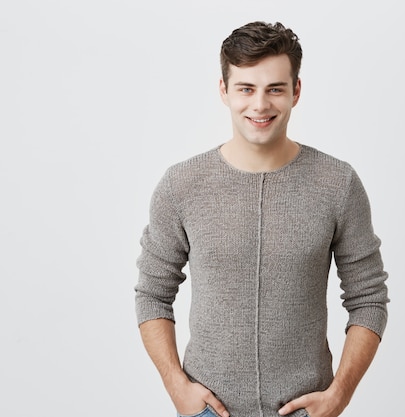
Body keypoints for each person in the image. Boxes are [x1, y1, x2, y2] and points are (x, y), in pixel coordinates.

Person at [135, 21, 389, 417]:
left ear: (296, 92)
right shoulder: (182, 184)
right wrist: (175, 385)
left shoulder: (337, 183)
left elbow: (369, 298)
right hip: (207, 411)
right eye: (246, 89)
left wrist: (339, 394)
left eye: (274, 89)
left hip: (305, 410)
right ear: (224, 90)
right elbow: (152, 293)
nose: (259, 105)